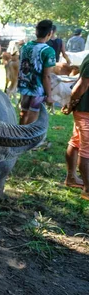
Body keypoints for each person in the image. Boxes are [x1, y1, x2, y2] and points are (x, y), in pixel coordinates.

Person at [17, 19, 56, 125]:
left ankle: (19, 134)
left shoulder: (25, 47)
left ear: (36, 32)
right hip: (38, 89)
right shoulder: (48, 51)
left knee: (24, 112)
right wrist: (49, 95)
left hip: (24, 84)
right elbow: (46, 76)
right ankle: (27, 138)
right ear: (49, 33)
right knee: (34, 113)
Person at [64, 53, 89, 201]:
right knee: (86, 150)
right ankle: (87, 189)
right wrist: (71, 103)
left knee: (76, 142)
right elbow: (81, 86)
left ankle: (71, 178)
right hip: (85, 110)